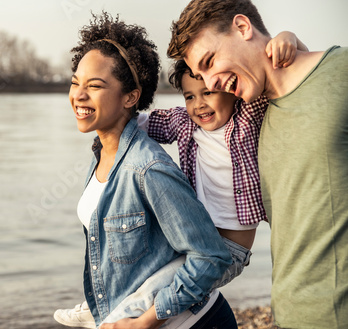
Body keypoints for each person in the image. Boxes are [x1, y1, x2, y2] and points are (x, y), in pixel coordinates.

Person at [56, 29, 305, 329]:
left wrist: (288, 41)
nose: (199, 104)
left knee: (143, 298)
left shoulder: (244, 120)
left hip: (229, 250)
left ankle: (109, 315)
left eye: (209, 92)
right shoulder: (183, 125)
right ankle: (102, 307)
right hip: (197, 240)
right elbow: (146, 122)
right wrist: (110, 119)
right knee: (151, 286)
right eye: (189, 96)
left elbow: (274, 82)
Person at [168, 0, 348, 328]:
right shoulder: (250, 116)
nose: (211, 82)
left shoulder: (341, 72)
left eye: (210, 61)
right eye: (200, 76)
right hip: (290, 312)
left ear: (242, 27)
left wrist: (290, 38)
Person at [59, 12, 238, 329]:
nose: (79, 95)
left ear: (130, 97)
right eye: (76, 83)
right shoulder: (102, 153)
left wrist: (144, 322)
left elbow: (211, 258)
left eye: (95, 86)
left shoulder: (147, 167)